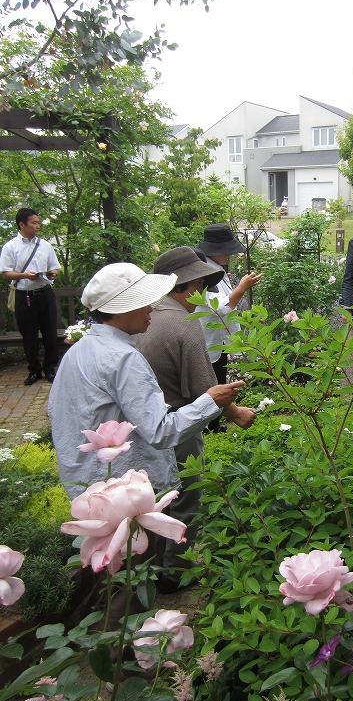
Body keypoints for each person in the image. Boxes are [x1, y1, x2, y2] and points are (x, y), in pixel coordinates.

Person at [48, 262, 244, 502]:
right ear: (123, 309)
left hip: (91, 485)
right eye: (144, 301)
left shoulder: (79, 350)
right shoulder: (124, 359)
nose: (151, 308)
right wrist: (211, 401)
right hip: (126, 492)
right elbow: (160, 432)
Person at [136, 247, 256, 589]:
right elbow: (205, 388)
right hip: (180, 425)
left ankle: (152, 571)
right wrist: (236, 412)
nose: (203, 294)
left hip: (147, 425)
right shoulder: (184, 325)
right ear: (183, 287)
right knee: (185, 500)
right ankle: (174, 574)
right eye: (199, 286)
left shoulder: (144, 318)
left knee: (156, 501)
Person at [195, 223, 262, 430]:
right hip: (210, 338)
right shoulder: (205, 273)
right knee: (211, 381)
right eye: (226, 251)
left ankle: (214, 423)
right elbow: (220, 308)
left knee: (219, 378)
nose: (229, 256)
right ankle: (208, 426)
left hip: (219, 337)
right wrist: (242, 287)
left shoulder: (218, 270)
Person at [0, 208, 61, 384]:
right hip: (24, 295)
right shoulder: (11, 247)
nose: (37, 226)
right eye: (34, 222)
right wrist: (25, 276)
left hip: (45, 293)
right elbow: (6, 273)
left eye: (38, 222)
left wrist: (52, 273)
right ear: (22, 224)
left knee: (50, 332)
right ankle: (34, 370)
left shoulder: (45, 245)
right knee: (29, 335)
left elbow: (54, 266)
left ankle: (50, 369)